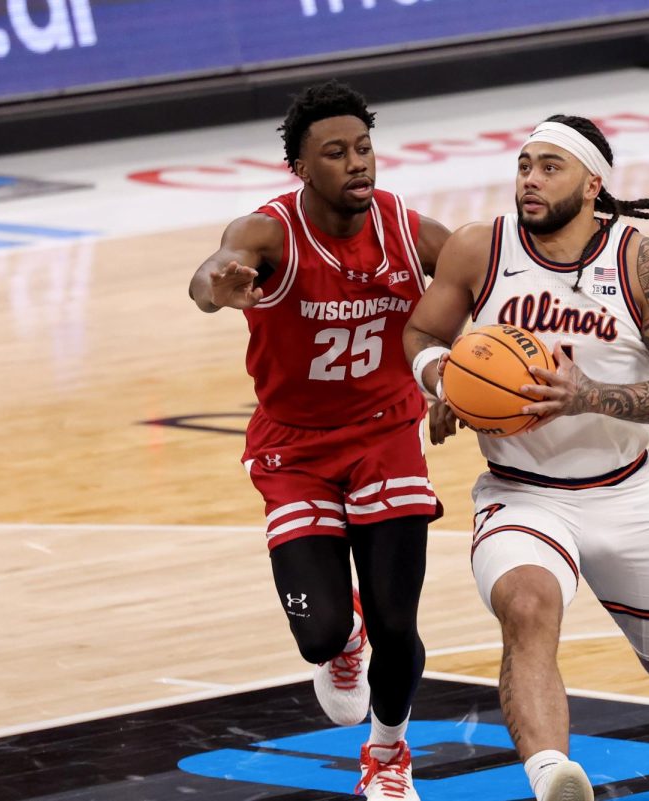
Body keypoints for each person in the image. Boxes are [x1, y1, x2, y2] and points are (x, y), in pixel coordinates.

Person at [403, 114, 649, 801]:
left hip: (627, 495)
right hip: (521, 493)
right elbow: (422, 332)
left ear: (592, 184)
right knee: (527, 606)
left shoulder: (640, 261)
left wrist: (591, 397)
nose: (529, 178)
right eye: (524, 164)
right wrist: (445, 382)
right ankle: (554, 776)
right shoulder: (478, 248)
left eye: (549, 166)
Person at [188, 80, 453, 801]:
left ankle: (389, 754)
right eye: (335, 153)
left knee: (400, 623)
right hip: (295, 449)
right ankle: (341, 644)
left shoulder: (404, 227)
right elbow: (207, 274)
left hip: (386, 433)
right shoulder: (269, 234)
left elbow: (472, 275)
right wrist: (221, 281)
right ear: (301, 168)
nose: (357, 163)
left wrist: (451, 374)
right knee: (322, 632)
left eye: (364, 148)